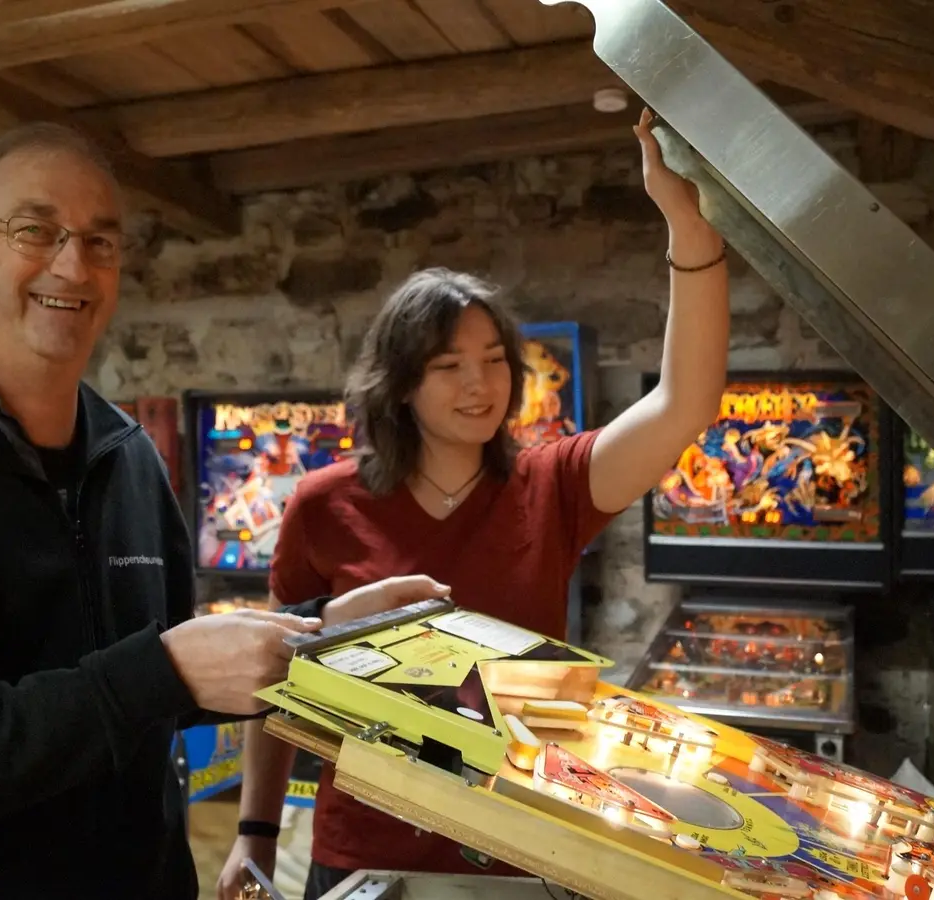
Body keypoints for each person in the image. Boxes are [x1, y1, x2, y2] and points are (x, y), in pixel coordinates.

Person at [0, 122, 447, 900]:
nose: (72, 264)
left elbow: (154, 687)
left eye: (100, 242)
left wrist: (315, 632)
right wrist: (159, 671)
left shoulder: (128, 455)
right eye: (36, 230)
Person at [216, 107, 731, 899]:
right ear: (401, 383)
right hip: (364, 852)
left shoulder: (552, 484)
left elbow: (685, 403)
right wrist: (252, 833)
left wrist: (688, 230)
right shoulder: (323, 504)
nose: (481, 383)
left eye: (494, 359)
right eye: (450, 364)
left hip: (517, 851)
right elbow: (270, 680)